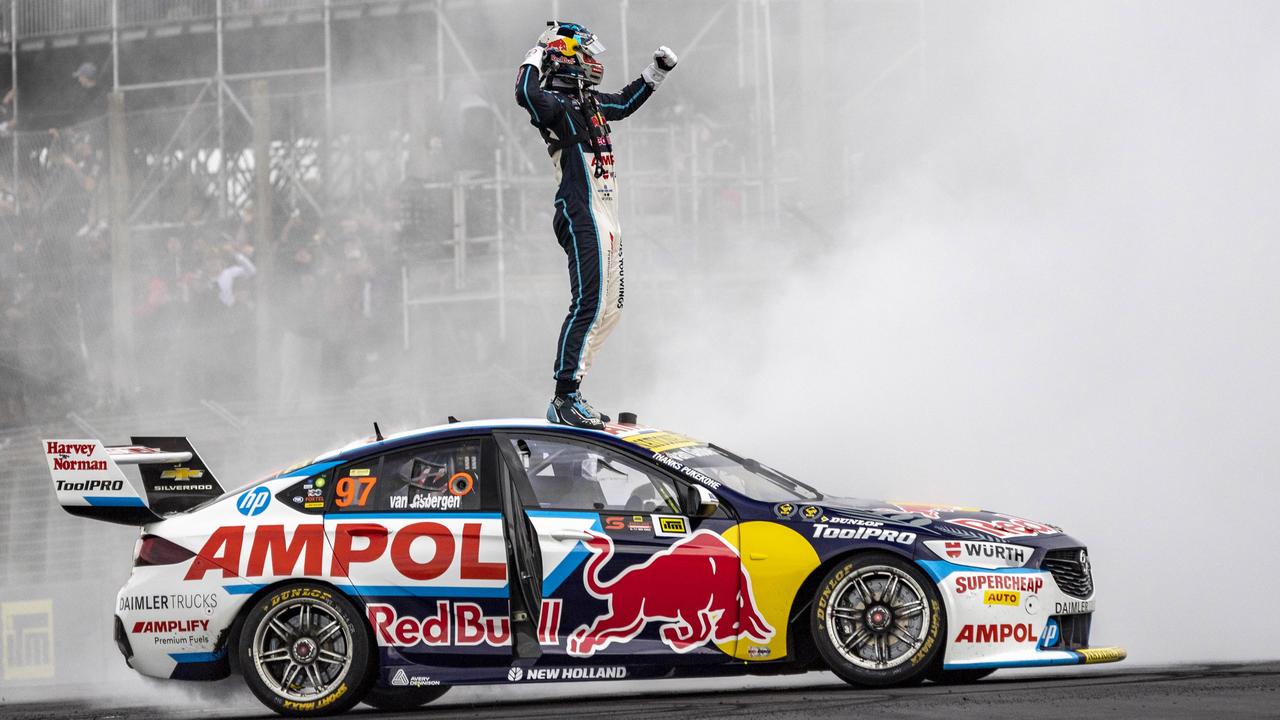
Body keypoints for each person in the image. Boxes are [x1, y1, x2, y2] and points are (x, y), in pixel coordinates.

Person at [515, 21, 678, 429]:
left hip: (607, 214)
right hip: (580, 210)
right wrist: (537, 50)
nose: (591, 61)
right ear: (564, 58)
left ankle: (575, 390)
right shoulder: (551, 103)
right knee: (588, 302)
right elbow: (524, 93)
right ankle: (563, 396)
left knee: (613, 307)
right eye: (584, 54)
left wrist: (656, 72)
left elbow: (623, 102)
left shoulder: (590, 103)